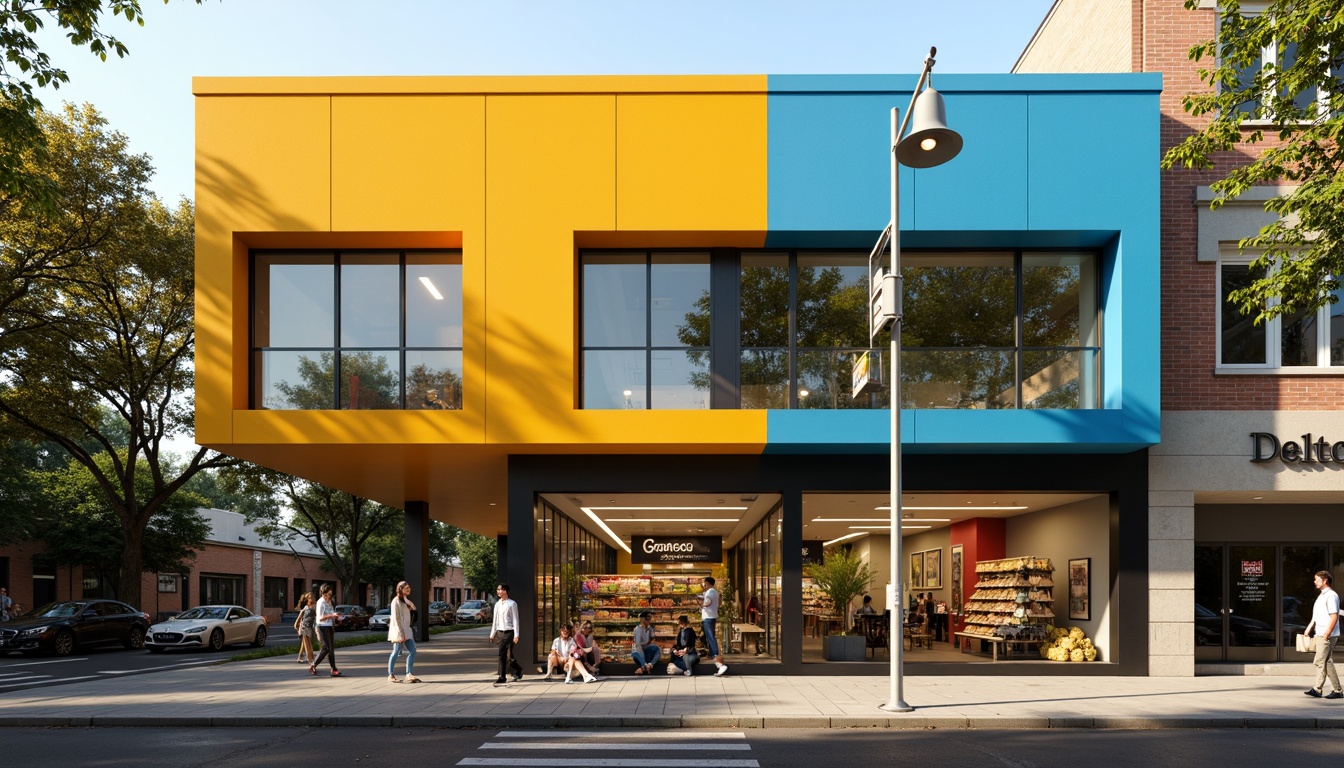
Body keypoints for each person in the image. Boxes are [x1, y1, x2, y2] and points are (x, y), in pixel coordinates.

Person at [1304, 570, 1342, 699]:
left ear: (1325, 580)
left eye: (1317, 579)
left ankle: (1317, 689)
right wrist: (1309, 628)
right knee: (1327, 662)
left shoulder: (1331, 595)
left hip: (1326, 635)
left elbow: (1334, 616)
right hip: (1320, 633)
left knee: (1320, 661)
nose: (1314, 582)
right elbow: (1317, 616)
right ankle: (1337, 690)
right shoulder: (1322, 596)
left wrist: (1327, 634)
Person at [489, 583, 524, 684]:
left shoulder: (512, 604)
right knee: (508, 656)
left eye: (500, 590)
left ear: (505, 591)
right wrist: (492, 634)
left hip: (509, 632)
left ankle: (502, 676)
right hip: (499, 632)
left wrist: (516, 634)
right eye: (498, 590)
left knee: (501, 653)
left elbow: (515, 620)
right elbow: (495, 620)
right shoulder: (497, 604)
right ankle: (518, 669)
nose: (498, 592)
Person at [387, 580, 420, 683]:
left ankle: (408, 673)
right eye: (406, 588)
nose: (408, 589)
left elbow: (414, 611)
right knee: (396, 652)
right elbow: (396, 618)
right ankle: (391, 675)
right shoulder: (395, 601)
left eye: (409, 588)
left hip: (407, 630)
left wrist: (410, 604)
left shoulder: (405, 601)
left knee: (413, 651)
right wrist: (401, 633)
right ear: (400, 589)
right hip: (398, 631)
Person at [310, 584, 342, 677]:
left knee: (331, 649)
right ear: (323, 594)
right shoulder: (321, 602)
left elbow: (331, 614)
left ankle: (334, 669)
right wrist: (333, 616)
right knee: (326, 648)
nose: (329, 596)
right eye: (328, 594)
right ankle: (313, 664)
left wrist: (336, 617)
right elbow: (320, 618)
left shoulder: (329, 602)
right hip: (322, 626)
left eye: (331, 594)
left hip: (329, 626)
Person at [700, 576, 728, 676]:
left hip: (708, 617)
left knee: (711, 637)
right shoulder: (714, 592)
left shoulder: (709, 592)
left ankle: (718, 661)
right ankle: (712, 654)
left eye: (704, 582)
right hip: (712, 616)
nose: (703, 584)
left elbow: (708, 602)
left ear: (707, 583)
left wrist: (701, 605)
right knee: (709, 636)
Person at [293, 592, 316, 664]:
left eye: (312, 596)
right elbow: (300, 616)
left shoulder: (316, 606)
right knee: (307, 644)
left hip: (310, 627)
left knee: (305, 643)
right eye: (310, 597)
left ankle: (302, 657)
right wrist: (296, 625)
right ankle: (311, 659)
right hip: (304, 627)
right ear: (307, 599)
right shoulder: (306, 608)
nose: (312, 598)